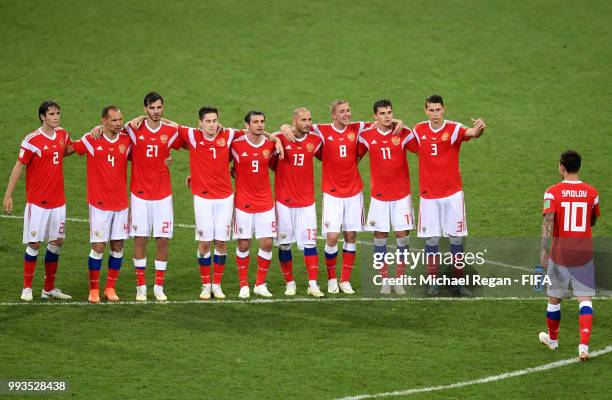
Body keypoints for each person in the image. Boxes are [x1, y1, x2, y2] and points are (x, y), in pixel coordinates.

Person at [413, 94, 485, 296]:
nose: (435, 114)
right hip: (429, 196)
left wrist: (479, 129)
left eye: (438, 110)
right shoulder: (418, 130)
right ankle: (433, 281)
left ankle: (459, 283)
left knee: (456, 239)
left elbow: (472, 132)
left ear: (444, 109)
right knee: (432, 240)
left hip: (452, 195)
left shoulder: (453, 129)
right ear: (425, 111)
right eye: (431, 110)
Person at [3, 100, 73, 301]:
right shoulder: (31, 140)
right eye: (52, 114)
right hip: (38, 202)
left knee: (57, 241)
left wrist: (89, 139)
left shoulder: (62, 134)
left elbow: (66, 150)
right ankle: (27, 288)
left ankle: (48, 288)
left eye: (58, 113)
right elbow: (19, 166)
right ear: (43, 116)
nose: (56, 117)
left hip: (58, 201)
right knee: (34, 243)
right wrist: (8, 194)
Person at [538, 150, 599, 361]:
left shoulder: (552, 192)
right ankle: (583, 346)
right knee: (585, 301)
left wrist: (543, 248)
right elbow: (592, 219)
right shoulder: (592, 192)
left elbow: (548, 221)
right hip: (584, 254)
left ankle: (553, 340)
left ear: (562, 167)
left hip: (560, 254)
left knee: (554, 298)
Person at [124, 92, 184, 301]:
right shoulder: (133, 130)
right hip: (139, 194)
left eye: (159, 108)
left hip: (163, 195)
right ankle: (141, 286)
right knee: (140, 238)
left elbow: (189, 136)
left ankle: (158, 286)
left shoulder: (170, 131)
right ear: (145, 109)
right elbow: (111, 129)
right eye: (152, 108)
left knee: (162, 240)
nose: (156, 112)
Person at [178, 106, 238, 300]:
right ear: (200, 123)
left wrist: (280, 135)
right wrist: (138, 118)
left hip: (225, 198)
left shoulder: (228, 135)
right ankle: (205, 285)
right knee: (204, 243)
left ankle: (217, 285)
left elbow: (254, 132)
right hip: (203, 198)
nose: (212, 125)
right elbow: (164, 122)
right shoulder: (193, 136)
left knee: (221, 241)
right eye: (208, 121)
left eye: (215, 121)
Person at [72, 106, 131, 303]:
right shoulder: (92, 139)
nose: (119, 123)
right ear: (104, 121)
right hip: (99, 203)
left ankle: (110, 288)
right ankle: (94, 289)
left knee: (117, 245)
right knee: (98, 246)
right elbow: (70, 149)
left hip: (121, 203)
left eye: (120, 119)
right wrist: (91, 130)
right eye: (114, 120)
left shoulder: (127, 139)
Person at [358, 100, 417, 294]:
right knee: (380, 237)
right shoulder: (366, 135)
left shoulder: (403, 132)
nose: (387, 116)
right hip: (379, 196)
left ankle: (399, 280)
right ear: (375, 116)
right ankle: (384, 279)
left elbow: (422, 150)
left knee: (402, 237)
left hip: (401, 195)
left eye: (390, 112)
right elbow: (354, 157)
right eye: (382, 113)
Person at [271, 107, 324, 297]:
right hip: (284, 202)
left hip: (307, 201)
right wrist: (281, 130)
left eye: (310, 119)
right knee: (284, 244)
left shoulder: (315, 140)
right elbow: (259, 138)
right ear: (294, 121)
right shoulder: (279, 137)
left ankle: (313, 284)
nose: (308, 123)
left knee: (310, 243)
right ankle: (290, 283)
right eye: (303, 120)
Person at [230, 111, 277, 298]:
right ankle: (243, 285)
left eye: (262, 121)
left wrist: (277, 139)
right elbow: (215, 161)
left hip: (265, 200)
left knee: (267, 242)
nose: (260, 125)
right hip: (243, 202)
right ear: (247, 125)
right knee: (243, 244)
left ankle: (260, 284)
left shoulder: (271, 144)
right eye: (256, 122)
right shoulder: (236, 145)